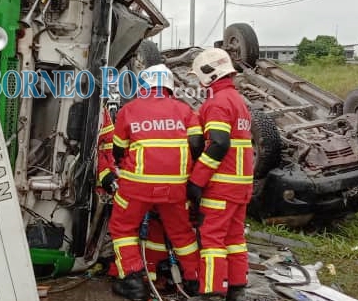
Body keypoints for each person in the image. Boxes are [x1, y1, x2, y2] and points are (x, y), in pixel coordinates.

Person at [108, 64, 202, 300]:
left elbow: (118, 150)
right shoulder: (185, 111)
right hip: (175, 186)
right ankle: (193, 279)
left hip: (136, 185)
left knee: (122, 227)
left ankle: (133, 282)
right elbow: (197, 145)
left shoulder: (129, 110)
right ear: (169, 85)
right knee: (181, 232)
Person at [187, 47, 254, 301]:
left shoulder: (217, 103)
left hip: (221, 184)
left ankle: (213, 291)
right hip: (241, 185)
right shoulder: (238, 101)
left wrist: (196, 180)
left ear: (207, 73)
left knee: (212, 237)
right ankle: (237, 287)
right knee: (235, 237)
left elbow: (219, 143)